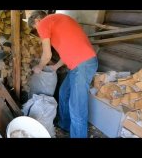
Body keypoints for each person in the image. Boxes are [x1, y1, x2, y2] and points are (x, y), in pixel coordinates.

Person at [28, 10, 98, 138]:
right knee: (64, 93)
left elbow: (47, 54)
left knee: (76, 108)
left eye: (35, 29)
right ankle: (65, 125)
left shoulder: (44, 23)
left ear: (37, 20)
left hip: (83, 65)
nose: (38, 32)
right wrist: (55, 66)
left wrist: (40, 66)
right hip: (79, 64)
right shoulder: (58, 20)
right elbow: (68, 52)